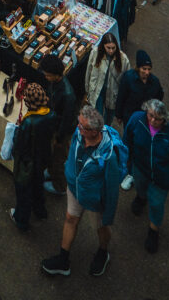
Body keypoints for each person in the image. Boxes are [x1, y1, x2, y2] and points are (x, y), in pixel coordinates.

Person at [40, 106, 128, 278]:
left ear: (95, 131)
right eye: (79, 123)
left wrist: (108, 215)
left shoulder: (108, 156)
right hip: (75, 189)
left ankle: (103, 253)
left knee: (101, 228)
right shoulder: (79, 133)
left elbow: (111, 190)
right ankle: (63, 261)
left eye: (82, 126)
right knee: (70, 218)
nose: (78, 128)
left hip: (95, 200)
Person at [124, 99, 169, 254]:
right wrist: (125, 159)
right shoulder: (136, 119)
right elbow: (127, 139)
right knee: (140, 187)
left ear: (164, 119)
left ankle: (153, 231)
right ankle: (140, 198)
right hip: (140, 168)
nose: (152, 120)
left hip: (161, 179)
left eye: (157, 118)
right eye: (150, 115)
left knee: (157, 204)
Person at [10, 82, 57, 230]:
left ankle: (21, 220)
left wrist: (16, 131)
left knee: (24, 191)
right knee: (38, 185)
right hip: (43, 158)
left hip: (28, 162)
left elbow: (20, 144)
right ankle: (40, 211)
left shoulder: (28, 122)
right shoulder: (51, 114)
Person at [116, 50, 164, 189]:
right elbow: (121, 96)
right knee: (129, 143)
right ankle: (127, 171)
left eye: (149, 69)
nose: (147, 72)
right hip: (130, 118)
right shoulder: (128, 78)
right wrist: (119, 114)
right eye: (144, 69)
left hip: (147, 121)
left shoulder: (154, 82)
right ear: (138, 68)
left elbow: (159, 97)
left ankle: (136, 172)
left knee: (141, 145)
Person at [40, 54, 77, 197]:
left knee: (59, 158)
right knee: (51, 153)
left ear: (56, 75)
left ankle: (60, 186)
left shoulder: (68, 95)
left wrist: (59, 139)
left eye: (48, 75)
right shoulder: (56, 84)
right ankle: (50, 171)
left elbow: (66, 121)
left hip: (62, 131)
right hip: (55, 125)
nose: (46, 77)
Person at [84, 33, 130, 126]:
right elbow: (88, 72)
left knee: (109, 117)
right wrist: (87, 90)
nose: (111, 50)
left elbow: (127, 80)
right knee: (98, 116)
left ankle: (105, 132)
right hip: (98, 91)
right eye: (108, 48)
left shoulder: (123, 59)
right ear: (103, 46)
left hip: (113, 93)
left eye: (113, 48)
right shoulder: (95, 53)